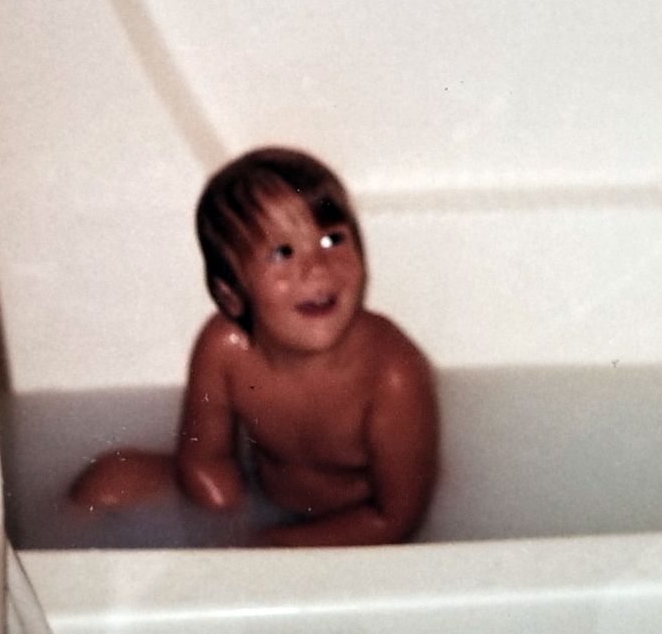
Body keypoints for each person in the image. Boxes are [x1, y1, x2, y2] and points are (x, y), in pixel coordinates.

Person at [68, 147, 439, 547]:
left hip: (355, 526)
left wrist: (269, 547)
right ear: (231, 295)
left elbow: (397, 519)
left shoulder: (392, 374)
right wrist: (224, 525)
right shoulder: (225, 348)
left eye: (333, 239)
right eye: (283, 252)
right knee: (105, 481)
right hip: (259, 497)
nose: (317, 267)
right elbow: (205, 460)